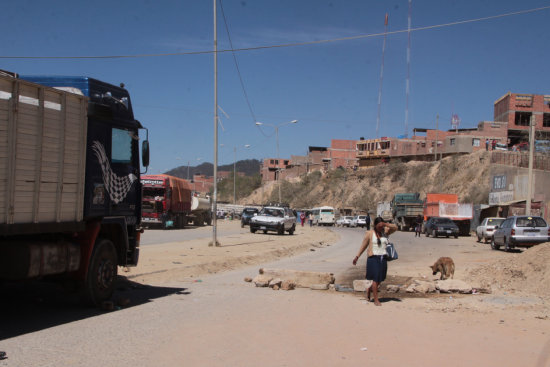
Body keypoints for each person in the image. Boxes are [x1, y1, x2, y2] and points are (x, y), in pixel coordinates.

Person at [352, 217, 397, 306]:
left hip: (383, 258)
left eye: (381, 225)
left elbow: (395, 227)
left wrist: (385, 224)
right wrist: (357, 256)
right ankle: (376, 300)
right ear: (375, 225)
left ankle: (369, 289)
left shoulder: (385, 232)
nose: (380, 227)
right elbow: (363, 246)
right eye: (379, 225)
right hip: (373, 259)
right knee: (376, 279)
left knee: (381, 278)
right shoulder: (370, 233)